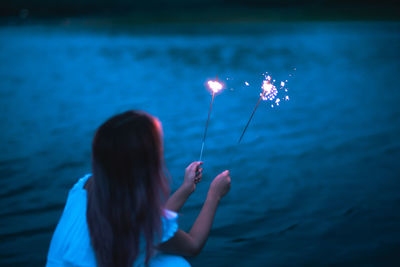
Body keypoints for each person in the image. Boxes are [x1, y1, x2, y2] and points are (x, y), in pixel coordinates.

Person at [46, 110, 231, 267]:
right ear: (146, 163)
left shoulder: (83, 187)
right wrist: (214, 195)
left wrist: (185, 188)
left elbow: (152, 230)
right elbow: (192, 246)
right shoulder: (135, 218)